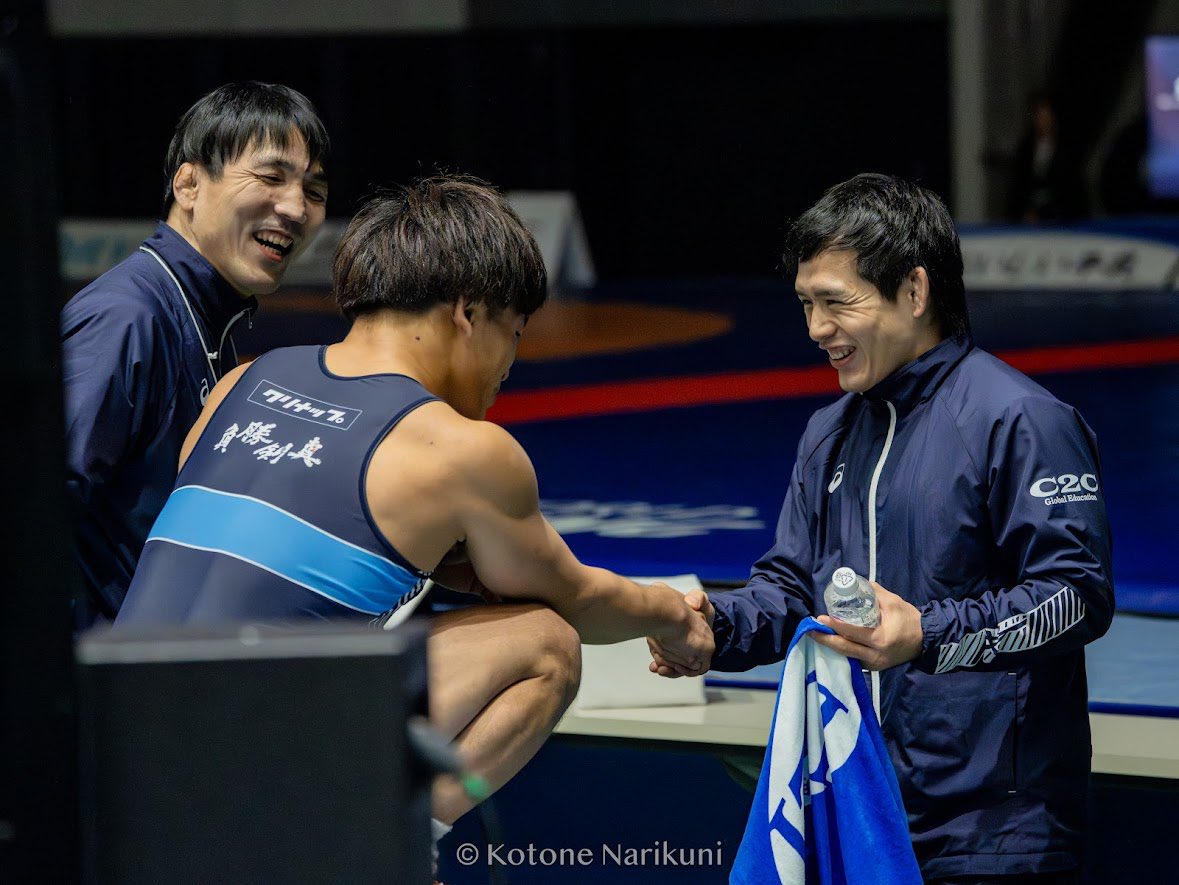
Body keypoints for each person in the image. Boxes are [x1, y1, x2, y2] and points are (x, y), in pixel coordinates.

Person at [115, 176, 713, 846]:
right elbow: (577, 597)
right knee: (546, 642)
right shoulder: (461, 449)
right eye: (513, 334)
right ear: (466, 312)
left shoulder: (243, 377)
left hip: (114, 758)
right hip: (246, 791)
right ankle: (391, 848)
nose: (508, 369)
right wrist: (669, 616)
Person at [651, 173, 1113, 883]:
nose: (815, 329)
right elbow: (789, 588)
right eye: (806, 304)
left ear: (914, 291)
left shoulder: (1017, 418)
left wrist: (925, 633)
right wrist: (714, 628)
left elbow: (1075, 595)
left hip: (993, 835)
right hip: (858, 813)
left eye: (835, 302)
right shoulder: (828, 431)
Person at [61, 82, 330, 627]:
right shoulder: (126, 319)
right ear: (189, 184)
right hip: (118, 680)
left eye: (315, 190)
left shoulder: (208, 319)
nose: (296, 208)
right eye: (271, 177)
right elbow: (29, 513)